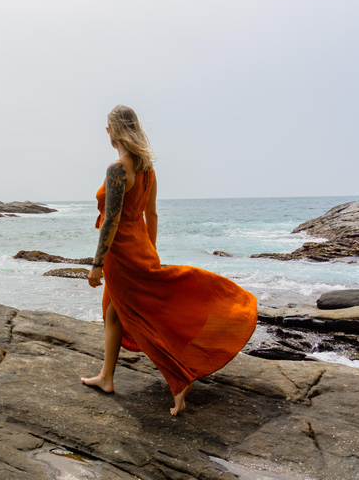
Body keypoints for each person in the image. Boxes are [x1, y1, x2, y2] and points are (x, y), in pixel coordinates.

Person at [80, 105, 258, 416]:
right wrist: (150, 251)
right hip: (142, 246)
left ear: (116, 131)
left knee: (146, 316)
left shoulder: (118, 169)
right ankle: (106, 376)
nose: (106, 133)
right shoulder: (146, 169)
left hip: (122, 254)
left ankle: (180, 376)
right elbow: (152, 214)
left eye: (108, 127)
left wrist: (97, 263)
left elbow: (111, 220)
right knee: (113, 312)